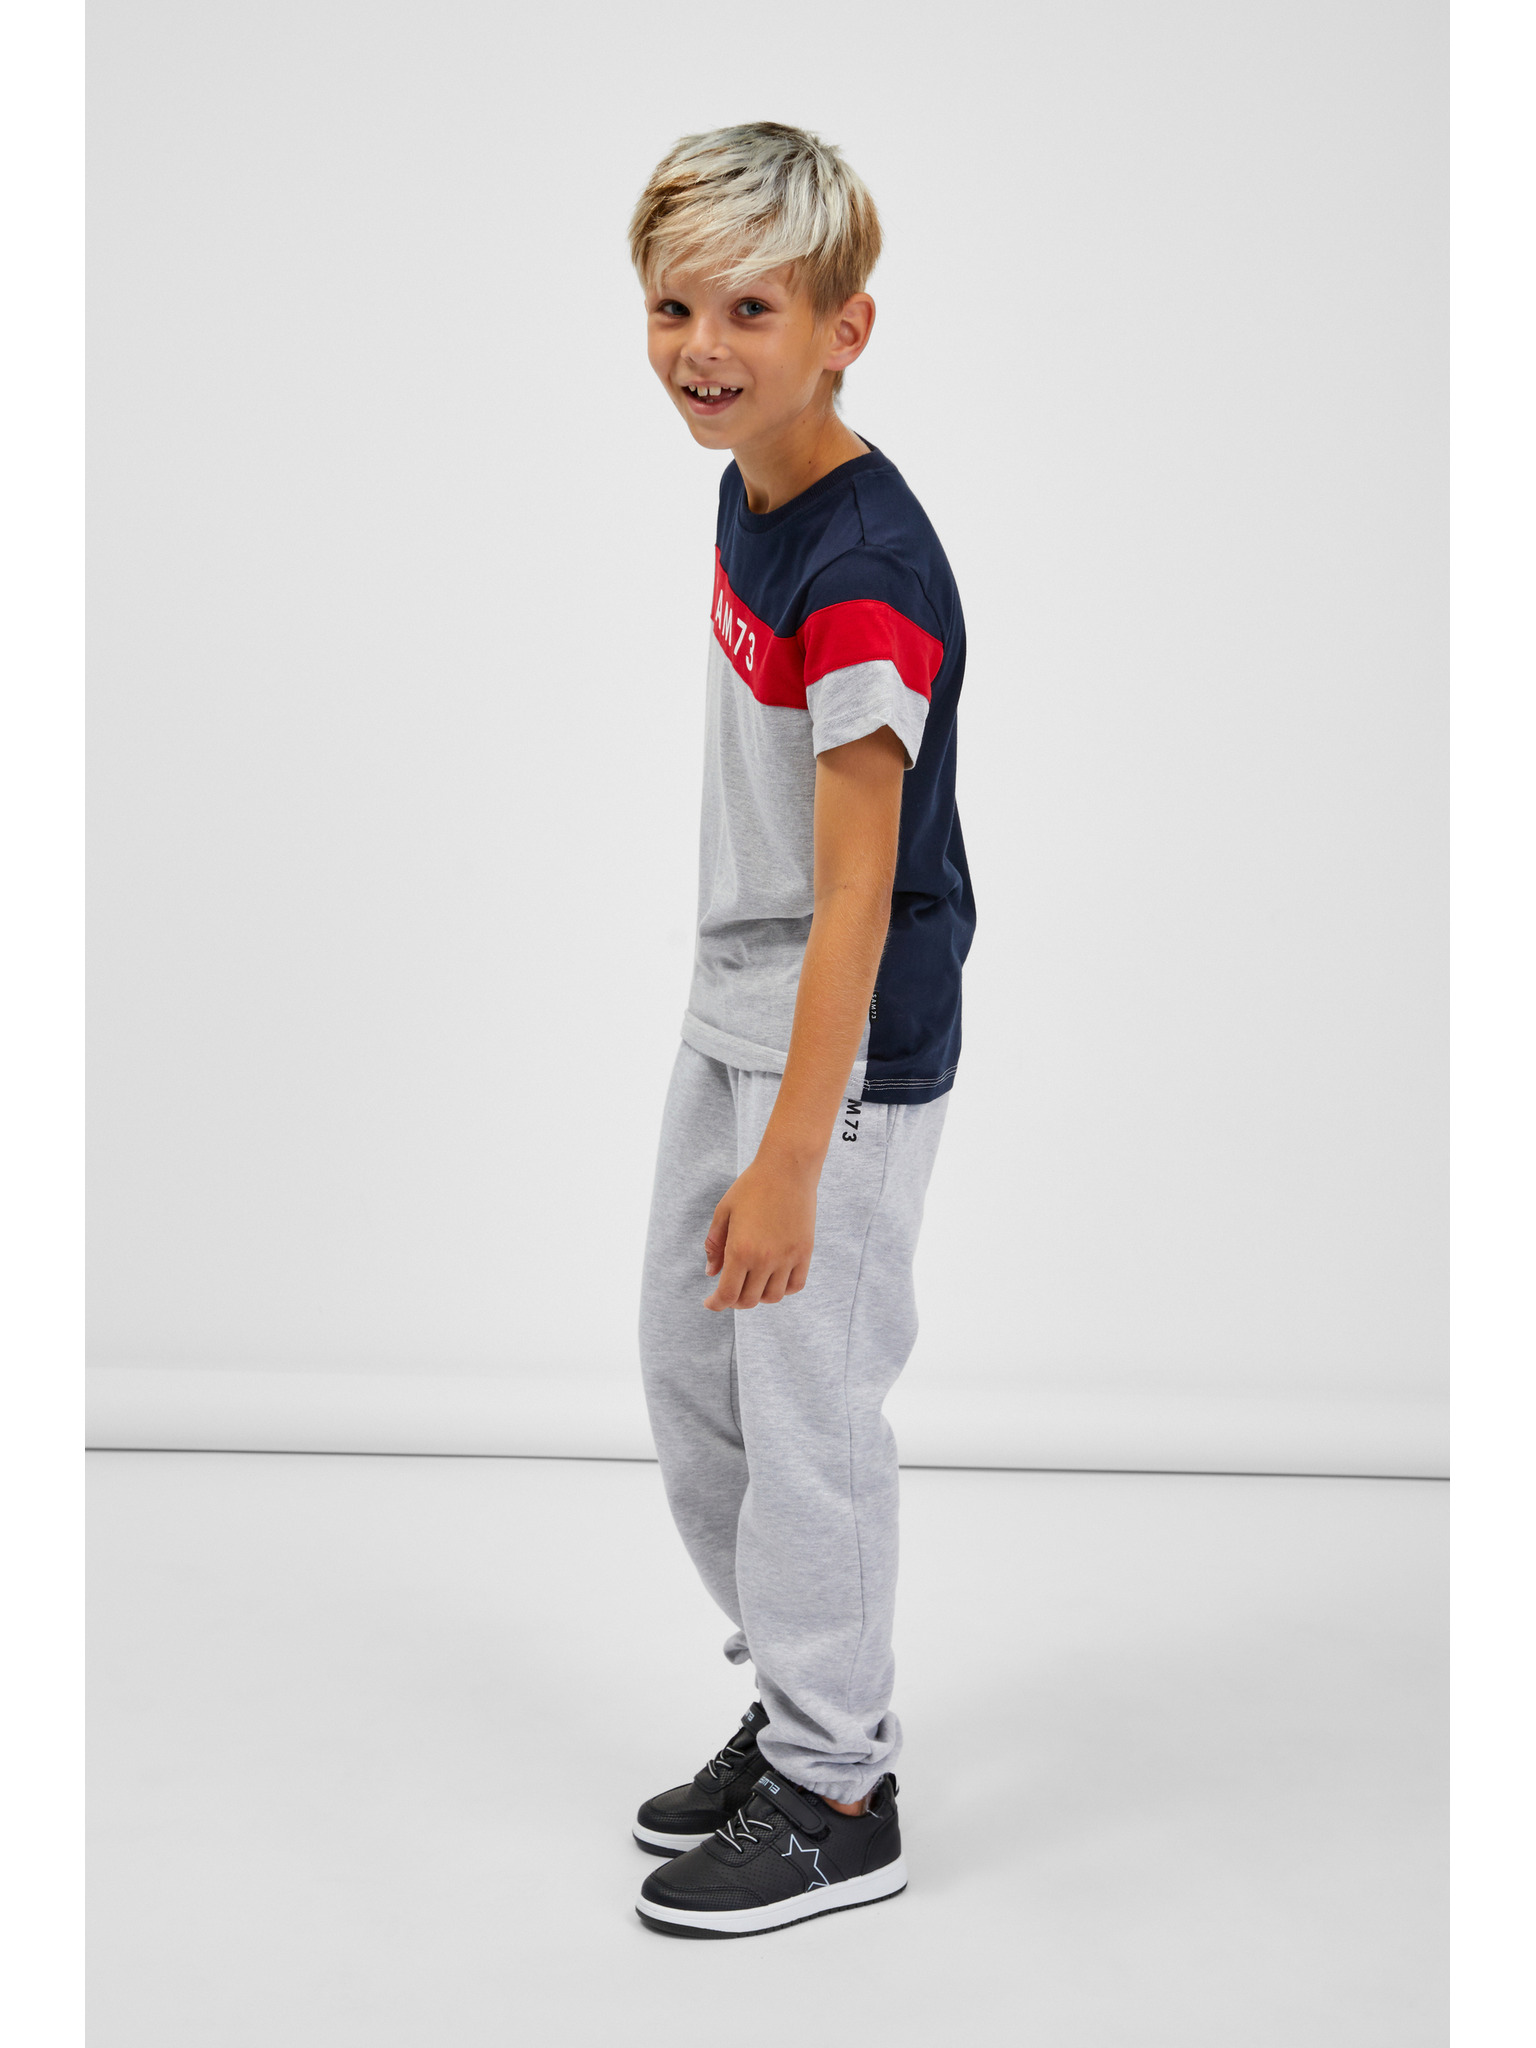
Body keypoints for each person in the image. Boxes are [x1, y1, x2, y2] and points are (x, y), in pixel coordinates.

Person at [626, 122, 976, 1938]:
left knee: (810, 1413)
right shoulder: (751, 485)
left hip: (839, 1046)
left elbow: (857, 894)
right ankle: (796, 1711)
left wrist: (789, 1158)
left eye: (750, 310)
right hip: (739, 1005)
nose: (703, 347)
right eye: (674, 306)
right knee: (695, 1383)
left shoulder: (864, 572)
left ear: (846, 327)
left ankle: (841, 1791)